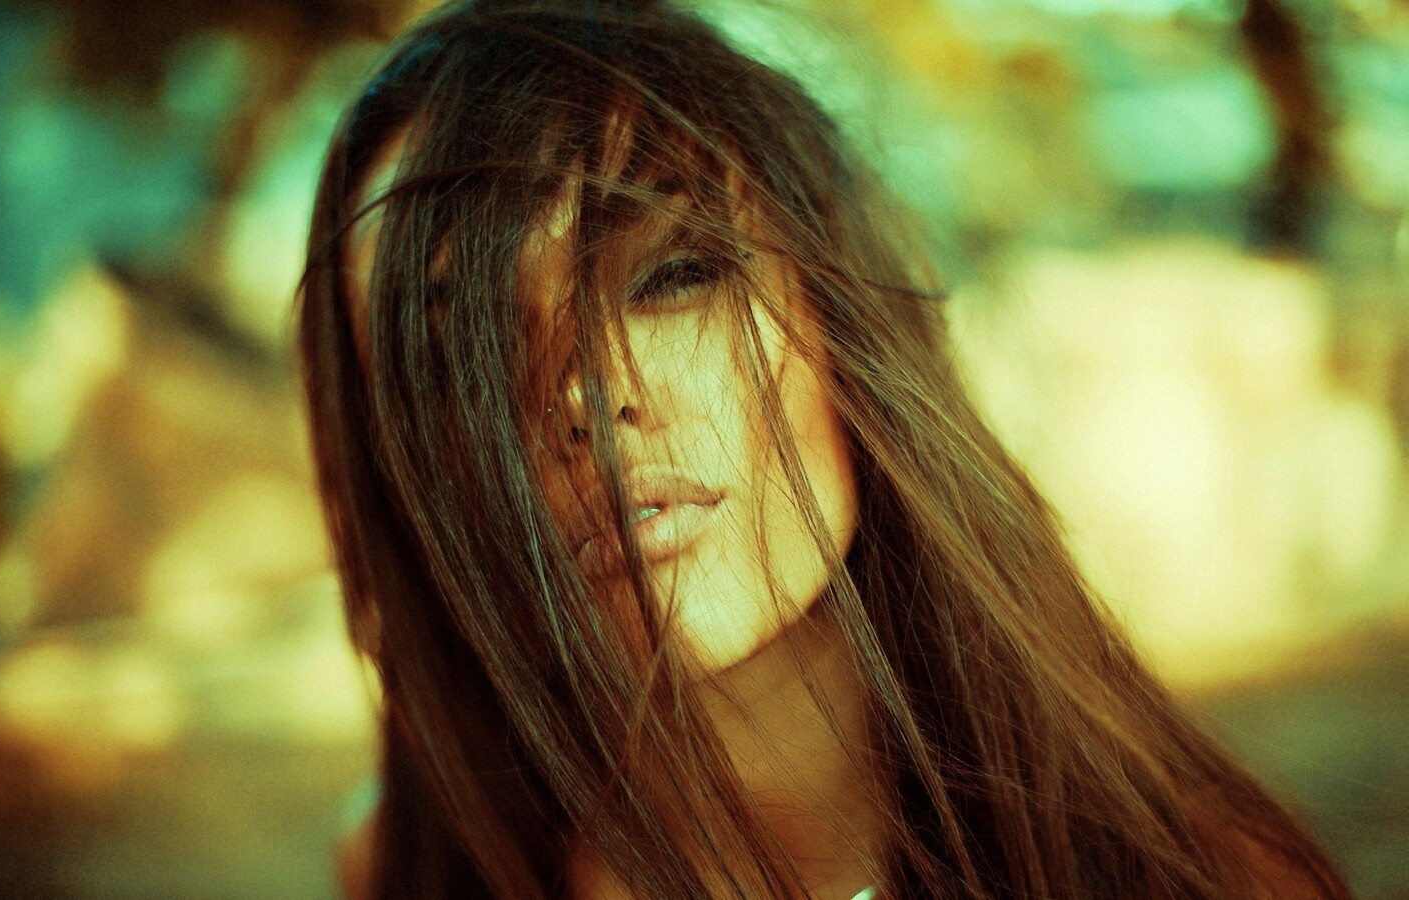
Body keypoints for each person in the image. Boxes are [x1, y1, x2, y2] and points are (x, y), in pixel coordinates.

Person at [297, 1, 1350, 896]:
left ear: (845, 328)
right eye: (458, 356)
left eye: (671, 277)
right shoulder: (407, 868)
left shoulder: (1198, 876)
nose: (582, 396)